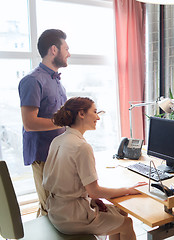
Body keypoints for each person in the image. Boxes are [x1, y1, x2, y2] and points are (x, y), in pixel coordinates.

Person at [43, 97, 147, 240]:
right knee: (127, 223)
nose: (98, 117)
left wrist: (91, 198)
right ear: (81, 114)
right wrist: (128, 190)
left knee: (120, 212)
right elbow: (95, 191)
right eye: (95, 112)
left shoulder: (58, 140)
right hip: (72, 217)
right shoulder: (81, 147)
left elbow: (72, 184)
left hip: (57, 210)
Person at [18, 29, 70, 216]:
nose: (69, 54)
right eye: (66, 49)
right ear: (54, 50)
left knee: (57, 208)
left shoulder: (57, 82)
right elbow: (29, 123)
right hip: (43, 155)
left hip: (59, 153)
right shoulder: (32, 81)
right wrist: (64, 121)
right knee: (49, 208)